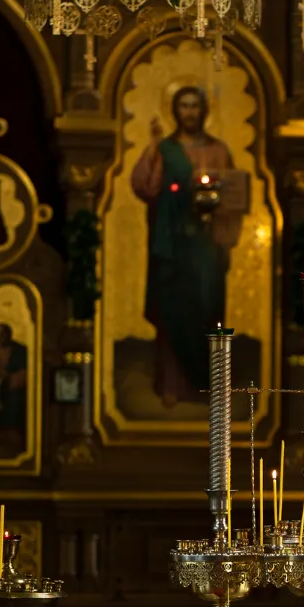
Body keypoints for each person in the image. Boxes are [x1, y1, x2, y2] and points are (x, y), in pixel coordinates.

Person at [131, 86, 244, 406]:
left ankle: (208, 387)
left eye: (195, 106)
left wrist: (224, 236)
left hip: (207, 249)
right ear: (175, 111)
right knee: (173, 311)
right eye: (184, 106)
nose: (190, 112)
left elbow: (234, 197)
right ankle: (172, 385)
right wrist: (153, 147)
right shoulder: (166, 149)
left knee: (207, 310)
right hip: (174, 247)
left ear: (204, 110)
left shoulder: (219, 150)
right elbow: (144, 186)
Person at [0, 322, 28, 446]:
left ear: (8, 334)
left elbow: (22, 370)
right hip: (1, 383)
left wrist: (7, 374)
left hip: (17, 383)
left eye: (2, 335)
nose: (0, 338)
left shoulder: (19, 349)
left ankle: (12, 433)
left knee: (13, 399)